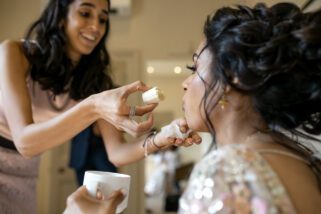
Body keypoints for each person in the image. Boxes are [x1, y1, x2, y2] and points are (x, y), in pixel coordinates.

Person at [0, 0, 201, 213]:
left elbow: (116, 152)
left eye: (103, 19)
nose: (96, 26)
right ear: (61, 17)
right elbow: (25, 141)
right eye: (85, 13)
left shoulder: (94, 82)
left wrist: (161, 137)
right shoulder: (15, 53)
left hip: (27, 170)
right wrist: (94, 106)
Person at [178, 2, 321, 213]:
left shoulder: (227, 173)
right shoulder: (305, 161)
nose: (185, 83)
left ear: (230, 77)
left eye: (196, 67)